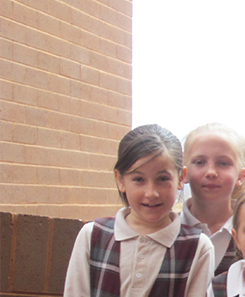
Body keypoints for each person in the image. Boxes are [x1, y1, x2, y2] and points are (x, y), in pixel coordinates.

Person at [64, 124, 214, 296]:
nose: (151, 193)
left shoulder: (198, 247)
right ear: (120, 180)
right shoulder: (92, 236)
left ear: (181, 178)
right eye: (138, 179)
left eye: (162, 179)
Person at [180, 123, 245, 275]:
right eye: (200, 162)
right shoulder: (166, 230)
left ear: (240, 176)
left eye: (223, 163)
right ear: (183, 173)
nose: (211, 172)